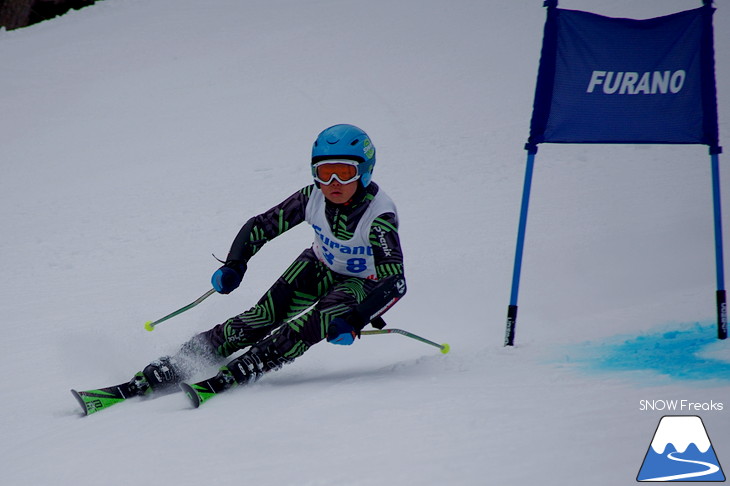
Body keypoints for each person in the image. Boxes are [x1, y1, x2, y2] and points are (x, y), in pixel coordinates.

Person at [127, 124, 407, 397]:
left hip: (362, 282)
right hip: (320, 265)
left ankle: (256, 361)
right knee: (263, 316)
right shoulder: (312, 197)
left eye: (345, 173)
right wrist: (235, 264)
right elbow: (260, 226)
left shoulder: (378, 216)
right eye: (325, 172)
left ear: (365, 172)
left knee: (316, 321)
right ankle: (185, 360)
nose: (334, 183)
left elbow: (394, 282)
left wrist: (356, 319)